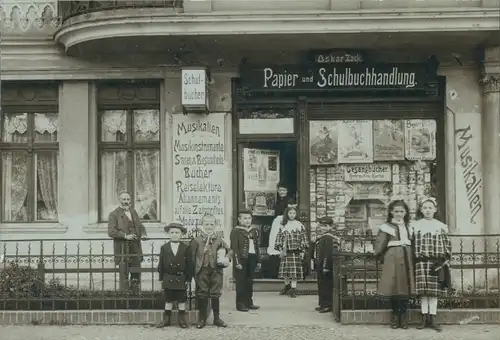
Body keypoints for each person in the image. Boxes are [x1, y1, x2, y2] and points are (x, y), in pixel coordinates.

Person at [373, 199, 416, 329]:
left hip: (407, 257)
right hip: (393, 258)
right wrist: (379, 255)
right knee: (394, 286)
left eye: (402, 211)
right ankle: (395, 316)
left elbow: (414, 242)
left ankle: (403, 316)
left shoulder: (410, 226)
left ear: (406, 212)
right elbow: (380, 244)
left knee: (405, 285)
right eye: (396, 211)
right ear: (391, 212)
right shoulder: (386, 227)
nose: (399, 214)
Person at [413, 197, 451, 332]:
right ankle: (424, 318)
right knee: (423, 292)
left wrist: (444, 260)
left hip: (436, 263)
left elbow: (447, 245)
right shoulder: (415, 225)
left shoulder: (441, 226)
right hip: (421, 262)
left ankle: (433, 318)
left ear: (435, 209)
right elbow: (412, 245)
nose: (427, 210)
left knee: (434, 293)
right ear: (421, 210)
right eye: (425, 208)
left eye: (430, 208)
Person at [190, 214, 232, 328]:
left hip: (216, 271)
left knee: (215, 294)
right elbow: (192, 257)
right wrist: (194, 272)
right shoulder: (196, 240)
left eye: (211, 224)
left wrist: (226, 258)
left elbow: (230, 251)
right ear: (202, 225)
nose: (209, 226)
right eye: (206, 224)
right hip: (202, 270)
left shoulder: (219, 240)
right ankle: (202, 319)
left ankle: (217, 318)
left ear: (215, 225)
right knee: (202, 294)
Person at [107, 191, 147, 291]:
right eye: (124, 199)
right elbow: (111, 231)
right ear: (119, 201)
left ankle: (136, 296)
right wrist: (125, 236)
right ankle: (124, 298)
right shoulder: (113, 214)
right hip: (123, 248)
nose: (126, 201)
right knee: (124, 273)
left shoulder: (133, 212)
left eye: (128, 199)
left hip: (135, 247)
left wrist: (143, 234)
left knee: (136, 272)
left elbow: (140, 225)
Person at [158, 222, 192, 328]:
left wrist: (188, 278)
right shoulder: (164, 247)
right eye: (172, 232)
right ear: (168, 234)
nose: (174, 234)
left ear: (181, 234)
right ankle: (166, 319)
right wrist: (161, 278)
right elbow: (161, 264)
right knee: (168, 299)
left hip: (180, 277)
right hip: (168, 276)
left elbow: (190, 264)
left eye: (177, 232)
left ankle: (181, 320)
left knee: (181, 299)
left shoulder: (186, 248)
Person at [274, 205, 308, 298]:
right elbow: (279, 237)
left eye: (294, 213)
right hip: (286, 251)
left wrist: (302, 251)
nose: (292, 215)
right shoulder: (283, 225)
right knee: (286, 272)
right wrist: (280, 248)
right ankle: (286, 286)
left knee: (294, 273)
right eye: (290, 213)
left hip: (295, 252)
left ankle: (293, 289)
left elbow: (303, 238)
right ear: (287, 214)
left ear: (296, 214)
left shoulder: (299, 225)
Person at [231, 209, 261, 312]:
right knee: (241, 282)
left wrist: (258, 260)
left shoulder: (254, 230)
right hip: (241, 258)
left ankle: (249, 302)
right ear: (239, 219)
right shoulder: (236, 231)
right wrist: (237, 262)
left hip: (251, 257)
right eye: (245, 218)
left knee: (249, 281)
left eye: (249, 218)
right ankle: (240, 303)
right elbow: (234, 248)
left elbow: (257, 247)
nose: (247, 221)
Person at [313, 216, 341, 313]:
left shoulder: (328, 237)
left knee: (326, 285)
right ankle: (322, 303)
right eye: (321, 225)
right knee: (321, 284)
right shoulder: (322, 237)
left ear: (330, 227)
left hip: (325, 265)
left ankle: (327, 304)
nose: (322, 228)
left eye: (325, 226)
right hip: (320, 264)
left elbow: (327, 254)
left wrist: (325, 266)